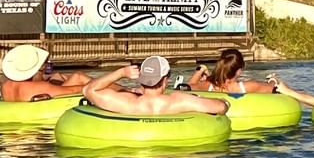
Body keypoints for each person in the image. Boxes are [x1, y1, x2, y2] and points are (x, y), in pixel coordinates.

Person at [84, 56, 228, 116]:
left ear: (141, 79)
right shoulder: (179, 100)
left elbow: (88, 89)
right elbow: (221, 107)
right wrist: (225, 102)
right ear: (165, 79)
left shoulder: (127, 102)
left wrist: (121, 72)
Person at [0, 44, 92, 102]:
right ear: (41, 67)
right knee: (78, 76)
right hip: (36, 128)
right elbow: (74, 90)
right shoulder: (38, 87)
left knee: (62, 77)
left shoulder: (5, 85)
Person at [188, 48, 275, 93]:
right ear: (239, 70)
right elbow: (275, 87)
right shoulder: (249, 86)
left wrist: (201, 69)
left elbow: (187, 87)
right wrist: (272, 80)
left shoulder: (209, 85)